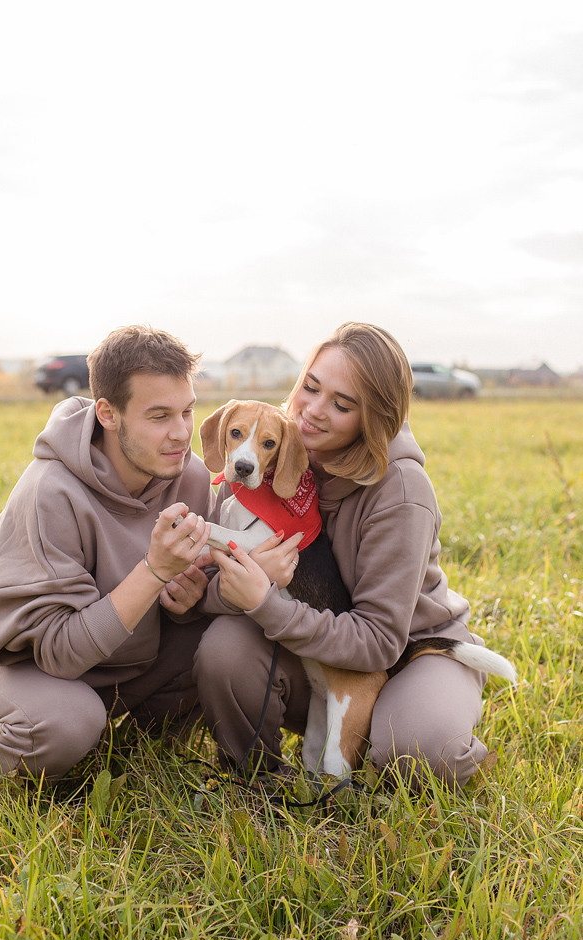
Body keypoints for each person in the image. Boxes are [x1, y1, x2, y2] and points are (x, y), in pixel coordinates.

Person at [194, 322, 491, 790]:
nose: (312, 411)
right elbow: (226, 581)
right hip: (322, 639)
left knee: (419, 750)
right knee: (225, 647)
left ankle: (423, 720)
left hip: (409, 649)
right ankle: (254, 777)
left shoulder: (403, 491)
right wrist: (222, 592)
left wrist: (266, 604)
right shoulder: (275, 451)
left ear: (373, 418)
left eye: (342, 403)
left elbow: (378, 642)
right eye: (310, 387)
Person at [0, 325, 218, 786]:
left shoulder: (190, 476)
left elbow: (187, 601)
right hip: (4, 669)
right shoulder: (51, 492)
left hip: (116, 666)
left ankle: (129, 760)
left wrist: (188, 596)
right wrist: (155, 570)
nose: (181, 433)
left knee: (221, 637)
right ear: (108, 414)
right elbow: (58, 655)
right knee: (67, 722)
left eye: (187, 411)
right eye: (159, 417)